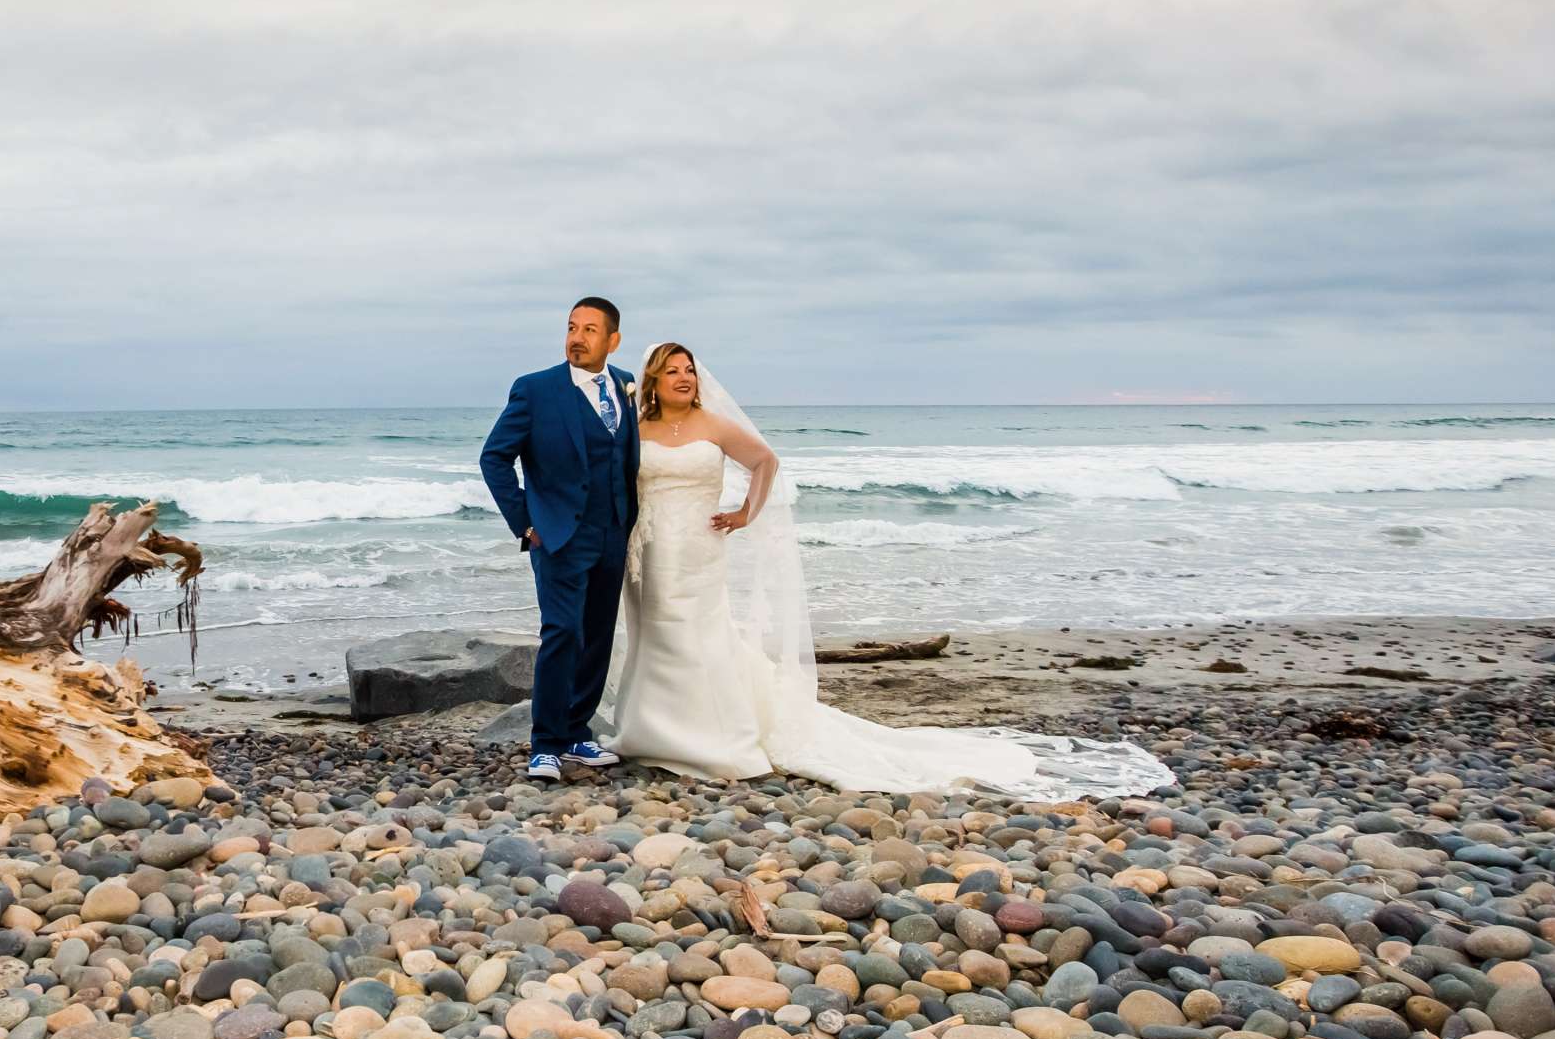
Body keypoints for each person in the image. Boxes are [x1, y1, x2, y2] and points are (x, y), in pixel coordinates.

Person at [595, 341, 1174, 800]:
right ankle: (652, 733)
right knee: (657, 636)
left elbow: (766, 460)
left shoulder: (713, 426)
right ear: (652, 380)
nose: (683, 378)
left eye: (689, 369)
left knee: (700, 636)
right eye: (671, 371)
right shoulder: (637, 431)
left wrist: (746, 512)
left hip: (699, 548)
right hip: (647, 552)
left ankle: (715, 739)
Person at [479, 297, 641, 782]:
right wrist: (526, 523)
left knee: (596, 636)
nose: (577, 337)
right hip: (558, 534)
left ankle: (577, 733)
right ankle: (545, 742)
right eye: (572, 327)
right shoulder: (535, 390)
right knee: (562, 632)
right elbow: (495, 458)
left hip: (613, 531)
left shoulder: (624, 385)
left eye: (590, 329)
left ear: (612, 340)